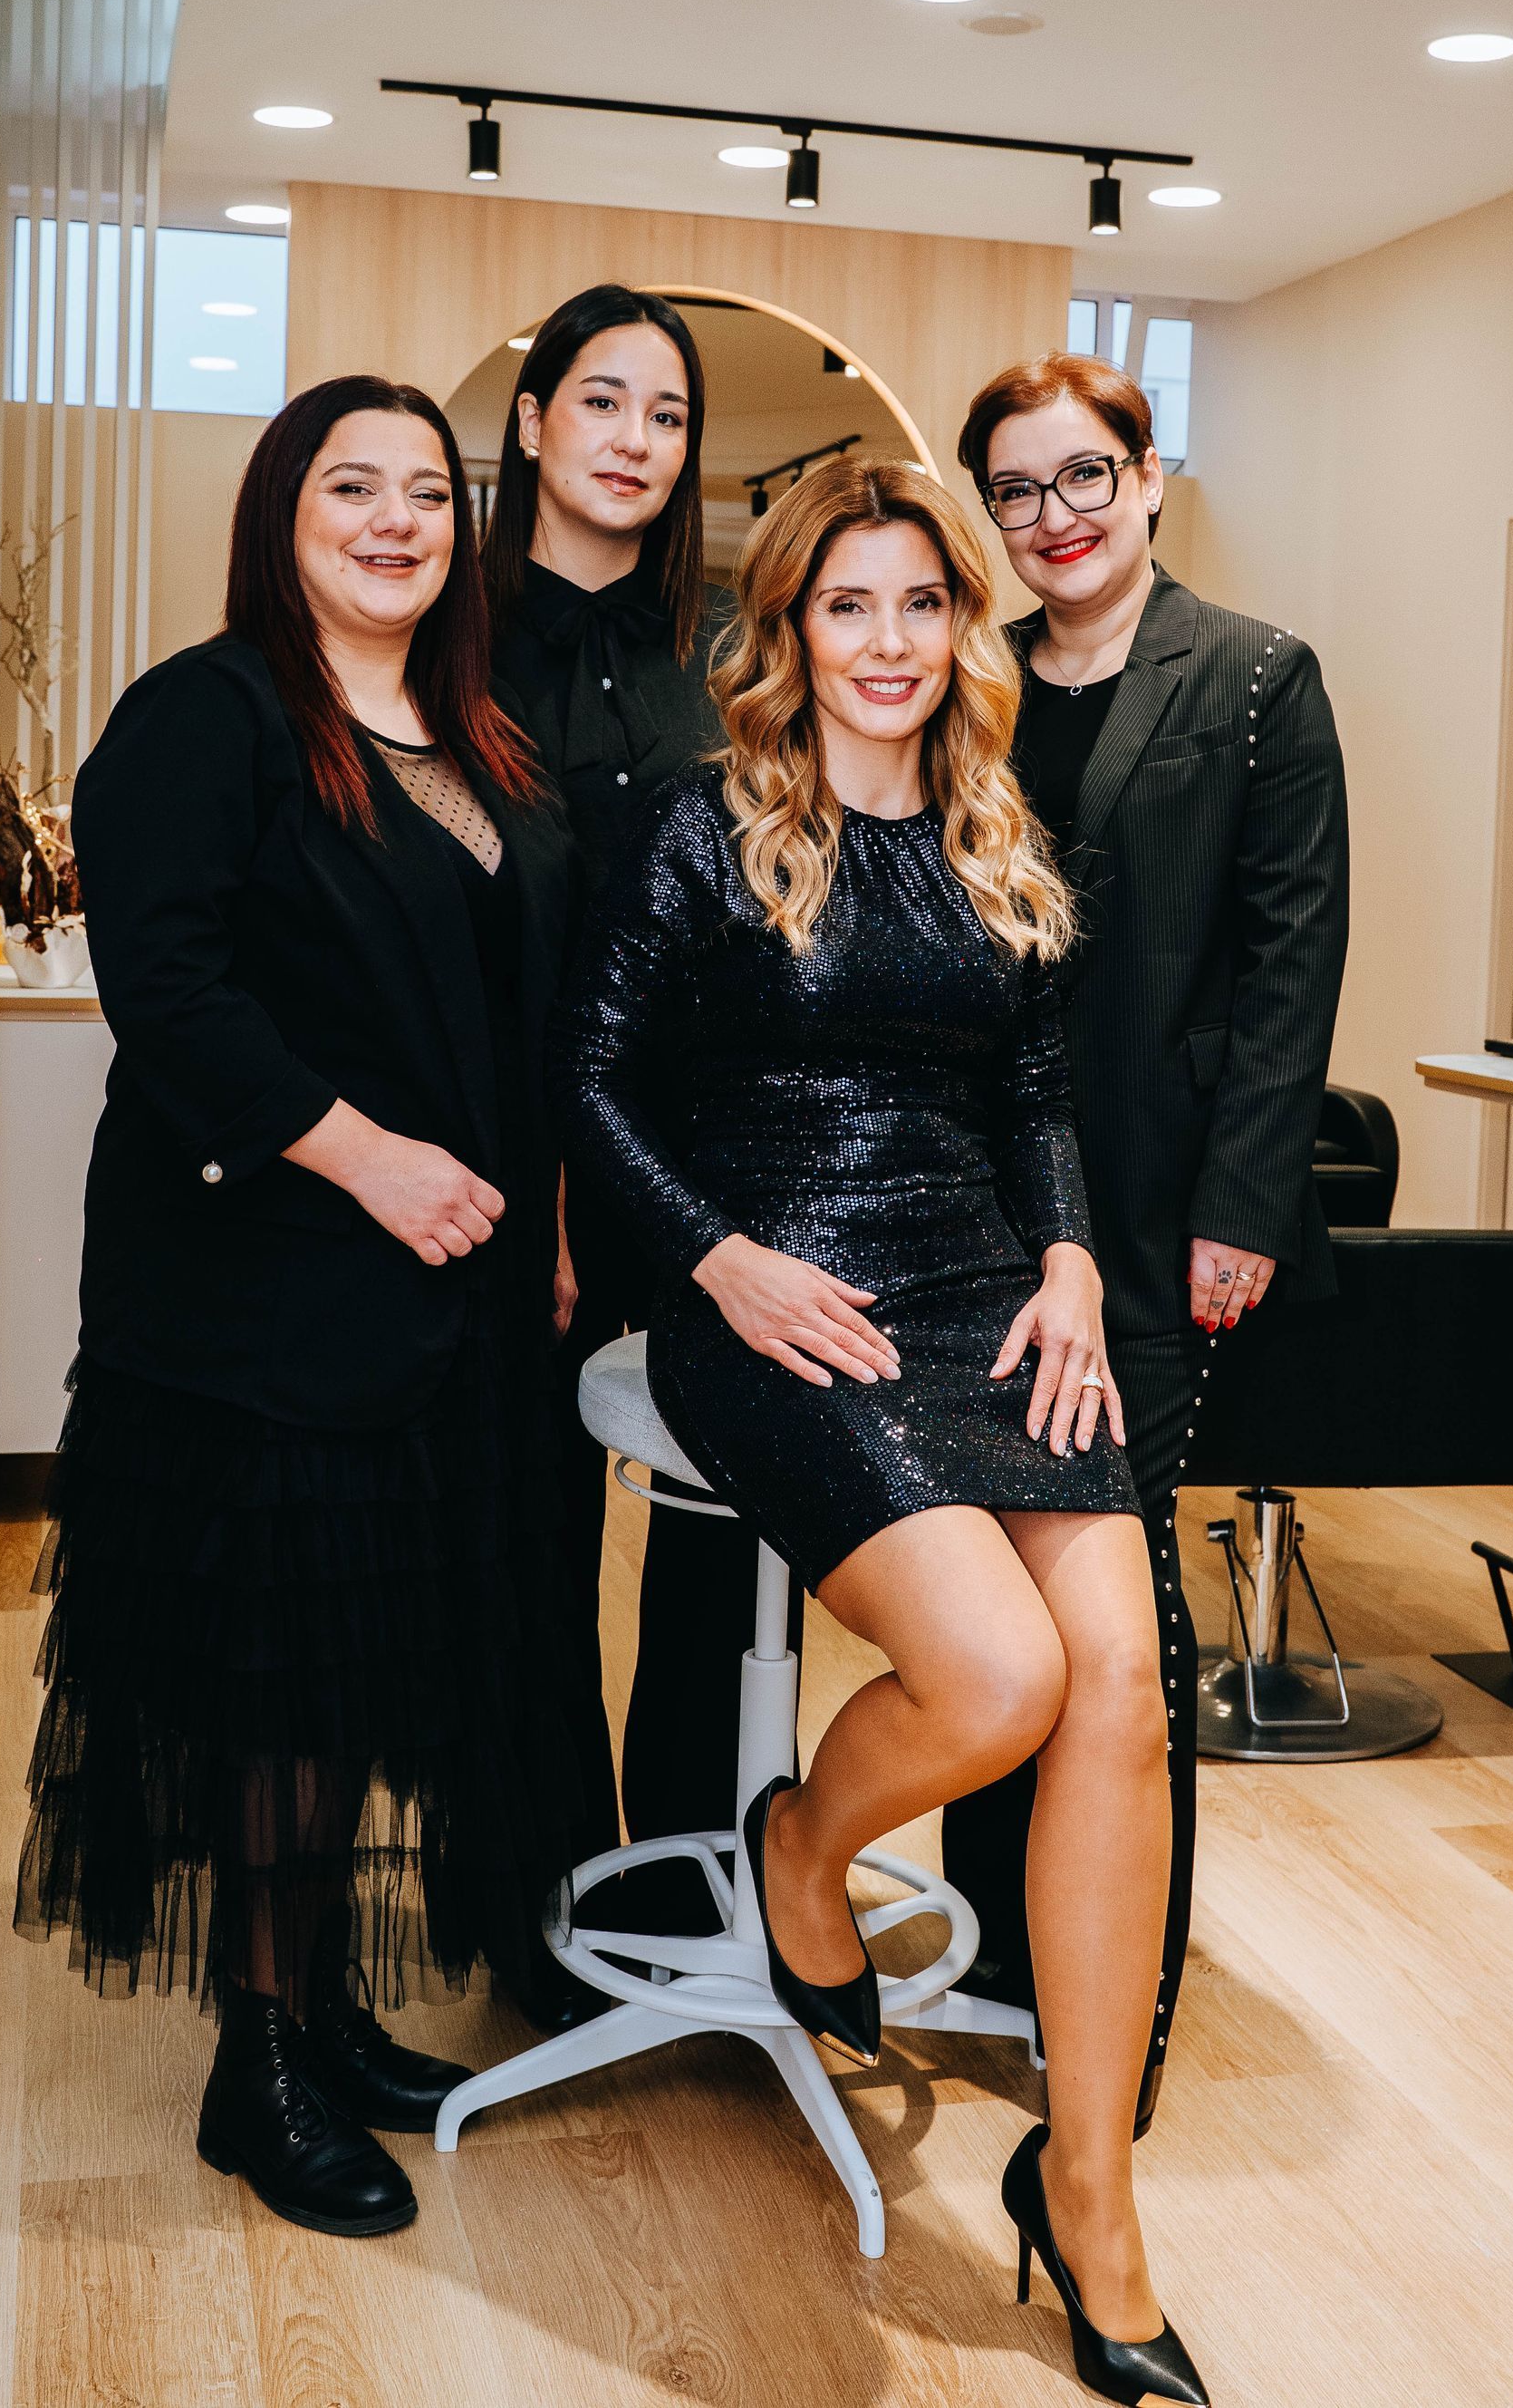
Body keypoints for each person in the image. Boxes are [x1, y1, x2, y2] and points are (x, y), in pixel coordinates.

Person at [555, 457, 1210, 2405]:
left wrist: (1076, 1261)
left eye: (925, 604)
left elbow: (1028, 1088)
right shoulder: (697, 823)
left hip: (981, 1283)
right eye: (852, 606)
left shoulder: (997, 824)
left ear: (962, 626)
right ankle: (803, 1842)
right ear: (794, 629)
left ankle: (1087, 2190)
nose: (892, 643)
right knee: (998, 1673)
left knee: (1122, 1688)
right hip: (769, 1284)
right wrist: (716, 1260)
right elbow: (587, 1083)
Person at [15, 374, 584, 2239]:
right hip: (266, 1291)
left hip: (451, 1299)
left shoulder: (471, 733)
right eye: (354, 486)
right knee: (280, 1679)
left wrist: (546, 1211)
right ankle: (254, 2063)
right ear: (284, 512)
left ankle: (323, 2007)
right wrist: (371, 1160)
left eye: (429, 491)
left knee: (366, 1667)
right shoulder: (211, 713)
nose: (397, 519)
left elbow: (518, 1020)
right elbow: (170, 997)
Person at [947, 352, 1348, 2135]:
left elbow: (1291, 962)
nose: (1057, 516)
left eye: (1085, 473)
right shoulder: (965, 683)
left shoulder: (1257, 680)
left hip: (1165, 1204)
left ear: (1148, 471)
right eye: (1019, 490)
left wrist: (1244, 1212)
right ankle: (979, 1942)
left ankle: (1117, 2000)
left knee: (1118, 1601)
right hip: (970, 1208)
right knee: (980, 1583)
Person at [483, 285, 774, 1946]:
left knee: (722, 1543)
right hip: (505, 1157)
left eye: (666, 418)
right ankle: (541, 1910)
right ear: (532, 423)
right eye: (604, 404)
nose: (635, 444)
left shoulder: (723, 664)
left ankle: (697, 1896)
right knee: (524, 1537)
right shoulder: (433, 638)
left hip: (697, 1168)